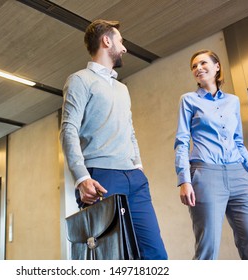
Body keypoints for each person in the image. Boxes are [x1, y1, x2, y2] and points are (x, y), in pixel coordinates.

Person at [60, 19, 167, 260]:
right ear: (106, 41)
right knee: (108, 258)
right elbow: (68, 130)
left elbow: (130, 130)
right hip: (102, 177)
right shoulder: (80, 80)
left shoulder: (122, 89)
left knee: (155, 255)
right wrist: (82, 177)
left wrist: (138, 165)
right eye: (121, 41)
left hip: (135, 178)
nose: (125, 48)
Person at [174, 49, 248, 260]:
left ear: (217, 67)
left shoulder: (233, 101)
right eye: (194, 66)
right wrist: (184, 180)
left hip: (239, 175)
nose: (198, 68)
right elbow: (181, 141)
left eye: (203, 63)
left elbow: (238, 140)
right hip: (206, 175)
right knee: (208, 248)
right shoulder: (188, 100)